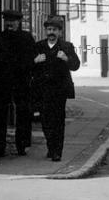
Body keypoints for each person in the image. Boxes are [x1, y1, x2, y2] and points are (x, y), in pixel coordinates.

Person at [0, 8, 36, 157]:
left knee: (23, 112)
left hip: (21, 81)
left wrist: (28, 76)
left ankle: (22, 145)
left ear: (19, 22)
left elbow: (32, 59)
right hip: (3, 82)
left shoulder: (26, 38)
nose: (10, 23)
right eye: (7, 21)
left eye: (13, 21)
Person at [33, 16, 80, 162]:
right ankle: (50, 146)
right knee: (45, 120)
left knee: (58, 121)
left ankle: (57, 151)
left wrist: (66, 59)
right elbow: (28, 67)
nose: (51, 32)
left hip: (60, 90)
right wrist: (35, 61)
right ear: (45, 31)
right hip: (43, 89)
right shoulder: (39, 46)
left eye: (54, 30)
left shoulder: (67, 47)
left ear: (60, 32)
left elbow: (76, 65)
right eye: (48, 29)